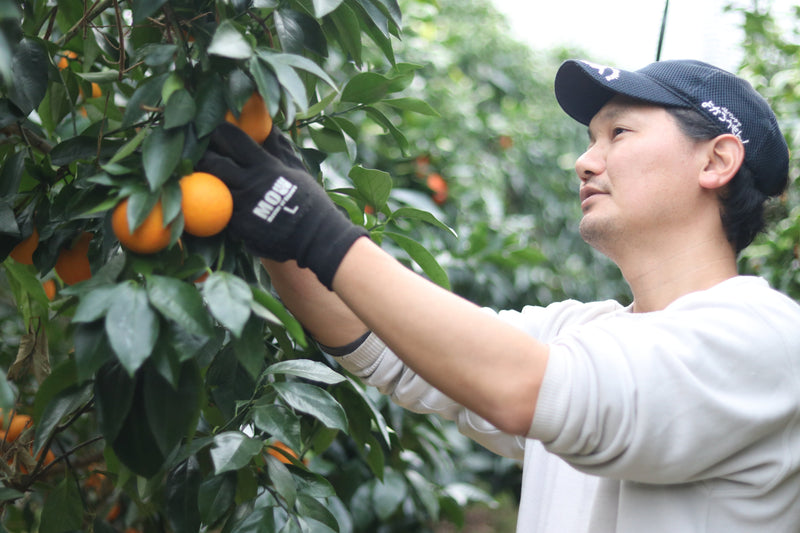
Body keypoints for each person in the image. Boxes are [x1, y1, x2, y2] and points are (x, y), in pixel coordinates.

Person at [198, 58, 800, 532]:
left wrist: (308, 221)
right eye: (590, 138)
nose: (584, 161)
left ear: (717, 160)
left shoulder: (765, 338)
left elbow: (523, 388)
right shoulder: (580, 331)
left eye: (617, 132)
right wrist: (272, 215)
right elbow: (390, 346)